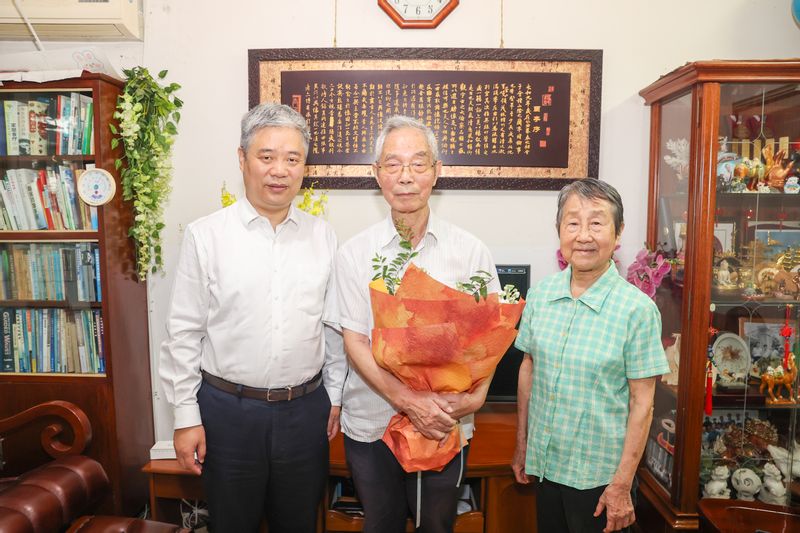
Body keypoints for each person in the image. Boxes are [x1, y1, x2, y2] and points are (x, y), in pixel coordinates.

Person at [159, 103, 345, 533]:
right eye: (267, 156)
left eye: (292, 159)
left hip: (305, 412)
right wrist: (186, 418)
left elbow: (333, 327)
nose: (279, 170)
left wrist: (334, 396)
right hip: (228, 413)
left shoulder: (323, 236)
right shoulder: (207, 236)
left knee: (300, 524)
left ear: (304, 167)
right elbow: (183, 332)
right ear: (242, 159)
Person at [336, 115, 500, 533]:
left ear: (436, 170)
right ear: (377, 174)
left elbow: (490, 338)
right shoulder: (354, 254)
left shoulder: (470, 252)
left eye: (418, 163)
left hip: (445, 422)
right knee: (381, 524)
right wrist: (410, 402)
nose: (405, 176)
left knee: (437, 525)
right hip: (372, 422)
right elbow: (355, 342)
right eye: (393, 164)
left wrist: (476, 398)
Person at [512, 179, 669, 533]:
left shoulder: (637, 310)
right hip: (546, 467)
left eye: (597, 223)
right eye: (572, 223)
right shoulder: (540, 296)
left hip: (600, 482)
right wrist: (522, 445)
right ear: (559, 230)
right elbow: (528, 369)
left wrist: (622, 484)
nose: (583, 235)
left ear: (618, 232)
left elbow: (642, 403)